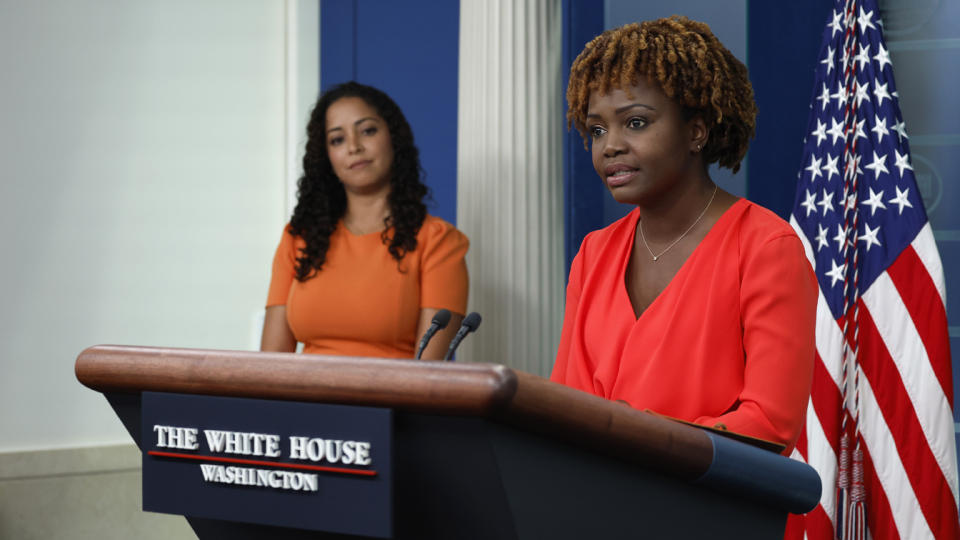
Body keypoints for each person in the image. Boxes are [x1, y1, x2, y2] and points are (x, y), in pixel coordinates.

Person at [550, 17, 817, 453]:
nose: (609, 145)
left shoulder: (767, 247)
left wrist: (629, 439)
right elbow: (567, 403)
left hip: (712, 508)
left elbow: (769, 425)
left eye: (634, 123)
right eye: (597, 129)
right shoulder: (593, 254)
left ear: (696, 132)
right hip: (594, 501)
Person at [261, 82, 469, 360]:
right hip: (306, 402)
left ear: (394, 138)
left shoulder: (439, 241)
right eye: (337, 139)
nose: (354, 147)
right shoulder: (298, 237)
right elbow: (271, 364)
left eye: (368, 131)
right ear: (327, 157)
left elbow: (428, 372)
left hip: (393, 401)